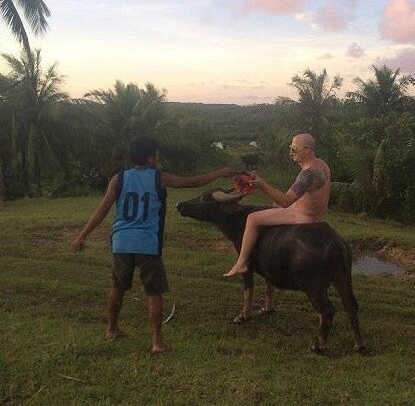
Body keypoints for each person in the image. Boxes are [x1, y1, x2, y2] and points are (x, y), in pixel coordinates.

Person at [70, 137, 234, 354]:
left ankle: (111, 329)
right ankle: (157, 341)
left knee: (117, 286)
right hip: (148, 244)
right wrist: (220, 172)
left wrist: (82, 235)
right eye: (156, 154)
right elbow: (192, 182)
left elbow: (101, 210)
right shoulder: (159, 178)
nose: (158, 158)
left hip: (121, 243)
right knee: (153, 292)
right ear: (150, 157)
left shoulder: (118, 179)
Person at [223, 133, 331, 277]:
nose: (290, 152)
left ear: (307, 150)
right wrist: (260, 179)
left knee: (252, 218)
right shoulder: (321, 164)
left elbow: (285, 202)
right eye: (290, 148)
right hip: (313, 212)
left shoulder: (308, 174)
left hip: (304, 216)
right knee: (273, 205)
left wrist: (261, 184)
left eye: (294, 148)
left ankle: (241, 262)